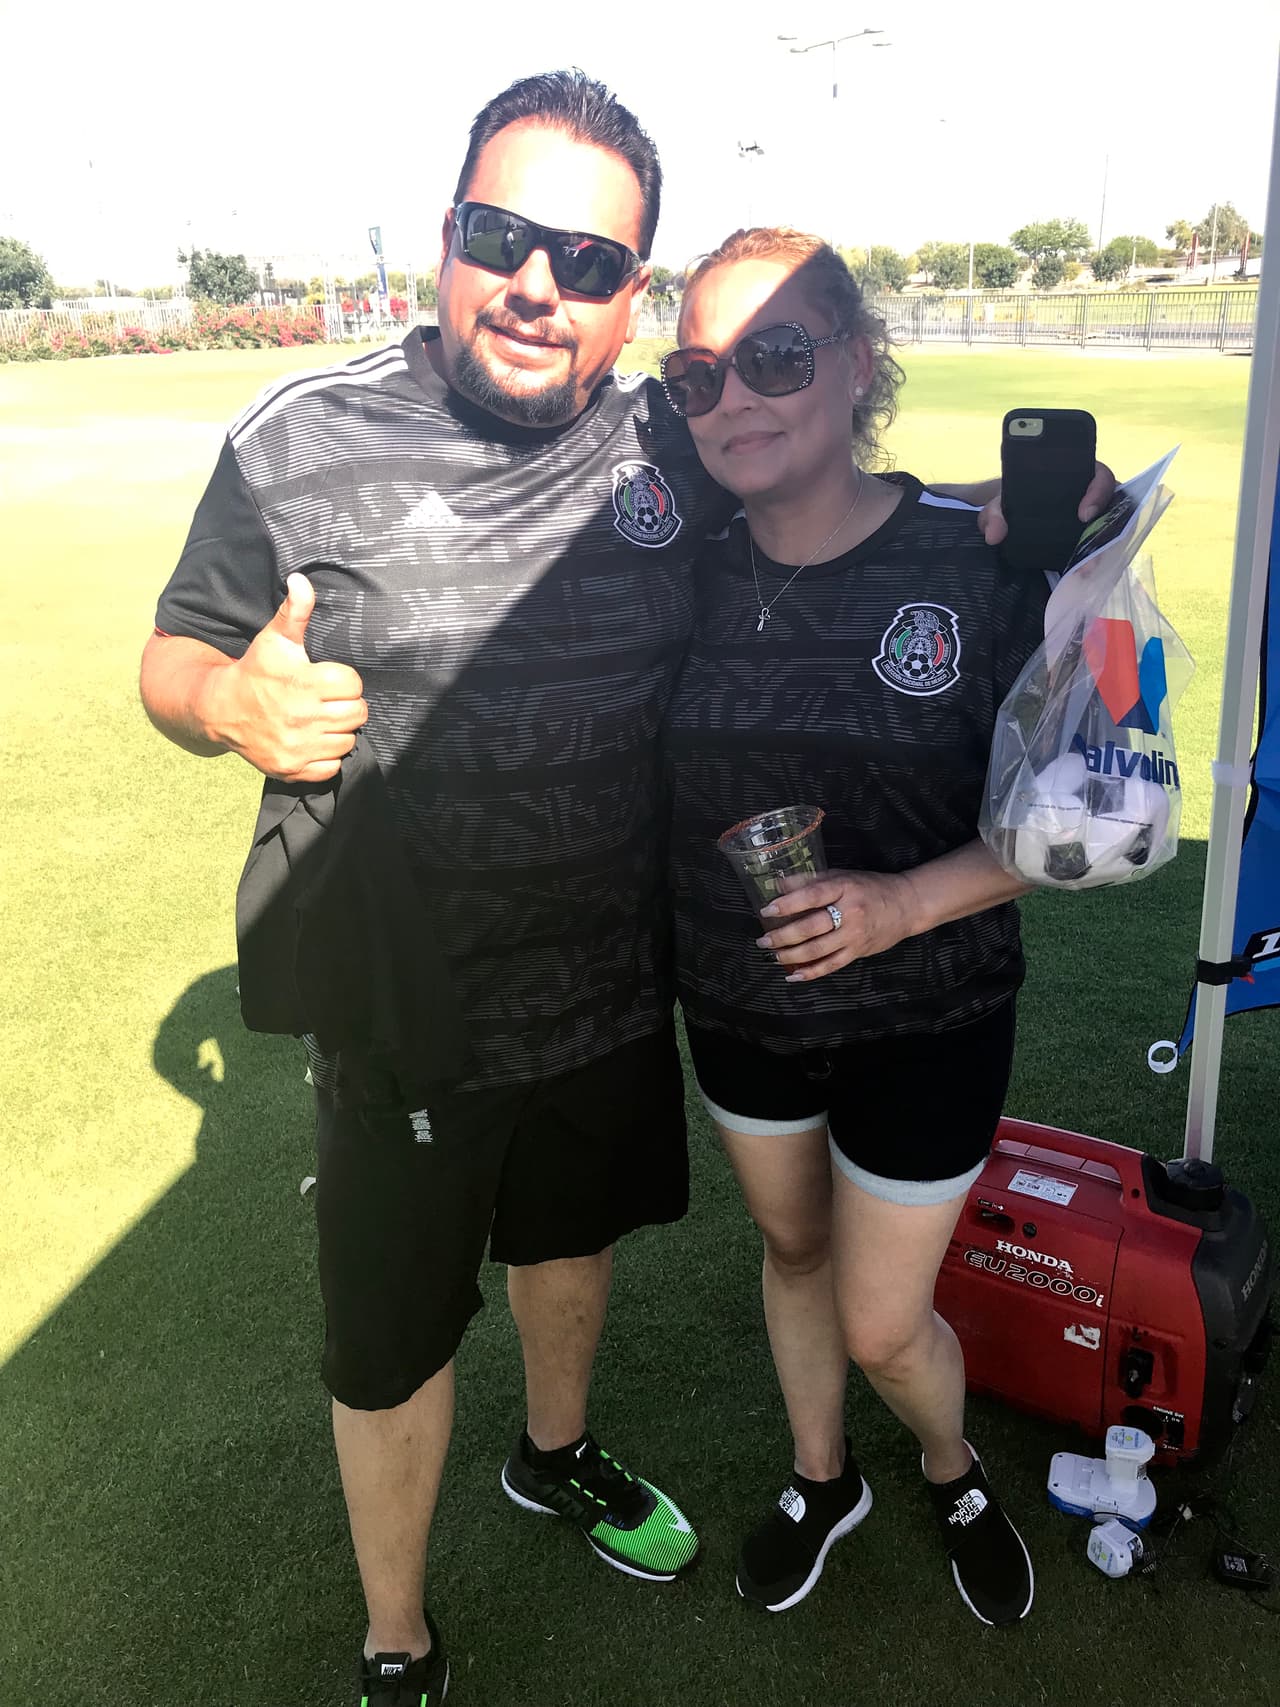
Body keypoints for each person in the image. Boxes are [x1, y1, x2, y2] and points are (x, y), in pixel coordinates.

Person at [140, 74, 1105, 1702]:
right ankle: (398, 1642)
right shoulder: (300, 436)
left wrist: (1000, 513)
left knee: (569, 1253)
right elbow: (175, 650)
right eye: (503, 237)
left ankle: (558, 1454)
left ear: (627, 293)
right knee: (391, 1342)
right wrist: (225, 701)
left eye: (587, 262)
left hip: (612, 990)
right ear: (447, 236)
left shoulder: (663, 433)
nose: (539, 285)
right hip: (409, 1004)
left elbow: (818, 476)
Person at [661, 228, 1051, 1627]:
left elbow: (1078, 815)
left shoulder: (984, 559)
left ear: (859, 364)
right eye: (700, 375)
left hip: (931, 1010)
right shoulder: (678, 565)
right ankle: (822, 1479)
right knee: (794, 1253)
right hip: (740, 1002)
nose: (735, 400)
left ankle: (950, 1465)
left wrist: (901, 904)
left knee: (886, 1323)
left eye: (776, 357)